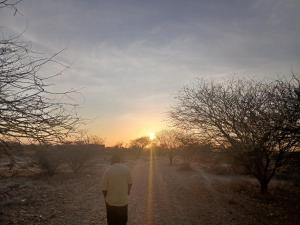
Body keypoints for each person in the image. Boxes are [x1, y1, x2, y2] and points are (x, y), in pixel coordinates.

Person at [102, 153, 132, 225]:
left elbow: (104, 189)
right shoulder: (126, 169)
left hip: (111, 202)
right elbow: (130, 183)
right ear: (120, 160)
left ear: (112, 160)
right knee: (123, 221)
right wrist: (127, 193)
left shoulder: (108, 171)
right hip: (123, 201)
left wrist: (106, 198)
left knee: (112, 222)